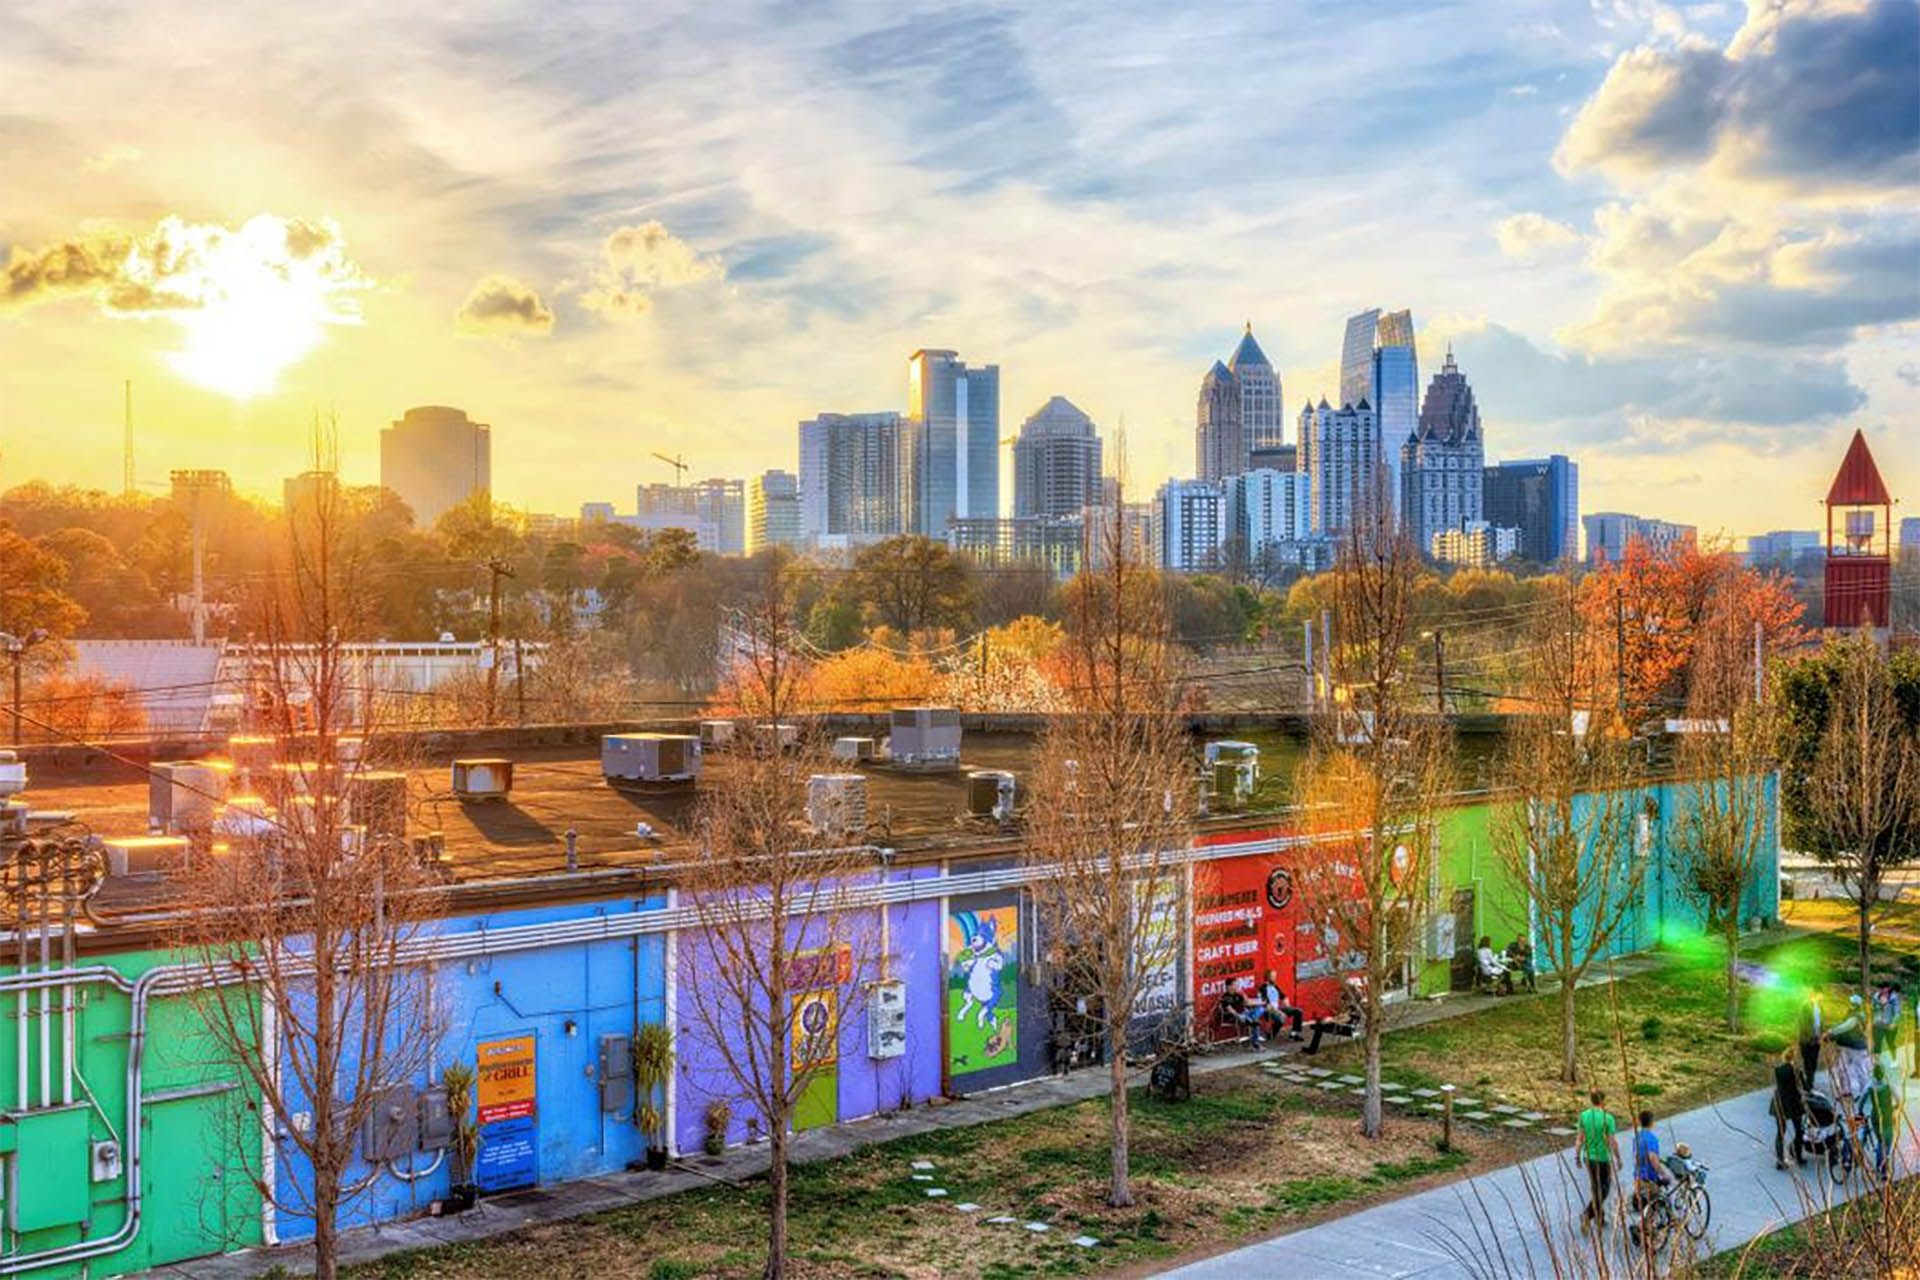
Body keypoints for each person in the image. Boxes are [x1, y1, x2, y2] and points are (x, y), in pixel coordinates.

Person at [1578, 1089, 1618, 1231]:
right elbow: (1612, 1141)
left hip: (1588, 1157)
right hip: (1602, 1158)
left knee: (1596, 1187)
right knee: (1605, 1188)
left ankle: (1600, 1218)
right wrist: (1618, 1158)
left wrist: (1577, 1155)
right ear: (1603, 1101)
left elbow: (1580, 1138)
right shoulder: (1608, 1118)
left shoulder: (1584, 1116)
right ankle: (1588, 1214)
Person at [1770, 1046, 1809, 1170]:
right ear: (1794, 1058)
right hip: (1793, 1103)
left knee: (1780, 1133)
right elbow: (1804, 1087)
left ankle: (1780, 1160)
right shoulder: (1797, 1071)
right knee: (1799, 1130)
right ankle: (1797, 1155)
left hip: (1779, 1102)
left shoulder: (1778, 1070)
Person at [1864, 1060, 1899, 1180]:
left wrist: (1859, 1112)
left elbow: (1860, 1102)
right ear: (1883, 1074)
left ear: (1874, 1074)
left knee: (1880, 1142)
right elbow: (1899, 1100)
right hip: (1887, 1117)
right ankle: (1883, 1170)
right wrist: (1894, 1107)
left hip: (1875, 1117)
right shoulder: (1888, 1086)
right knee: (1887, 1144)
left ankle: (1880, 1169)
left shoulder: (1870, 1087)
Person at [1256, 968, 1305, 1041]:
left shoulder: (1275, 987)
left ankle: (1293, 1034)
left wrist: (1287, 1004)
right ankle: (1270, 1035)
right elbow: (1265, 1003)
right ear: (1268, 977)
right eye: (1273, 976)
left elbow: (1283, 996)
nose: (1275, 978)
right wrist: (1278, 1012)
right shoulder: (1262, 988)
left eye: (1275, 976)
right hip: (1269, 1011)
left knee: (1298, 1011)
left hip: (1278, 1009)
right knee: (1281, 1018)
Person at [1796, 991, 1824, 1089]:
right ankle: (1809, 1083)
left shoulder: (1820, 1007)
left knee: (1814, 1061)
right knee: (1808, 1061)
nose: (1822, 996)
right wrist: (1811, 1036)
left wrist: (1821, 1035)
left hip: (1816, 1039)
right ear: (1815, 994)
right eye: (1821, 994)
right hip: (1807, 1039)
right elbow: (1804, 1024)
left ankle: (1810, 1081)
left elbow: (1821, 1022)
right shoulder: (1806, 1006)